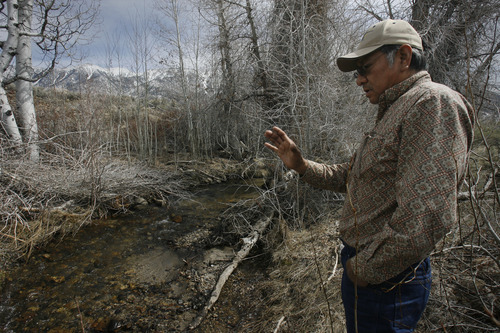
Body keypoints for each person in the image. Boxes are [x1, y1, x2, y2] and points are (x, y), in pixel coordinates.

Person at [264, 19, 475, 332]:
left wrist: (363, 269)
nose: (359, 79)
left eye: (365, 67)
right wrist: (301, 165)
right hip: (374, 276)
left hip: (387, 283)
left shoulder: (432, 103)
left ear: (404, 57)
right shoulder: (396, 109)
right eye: (356, 72)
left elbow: (429, 215)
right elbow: (352, 176)